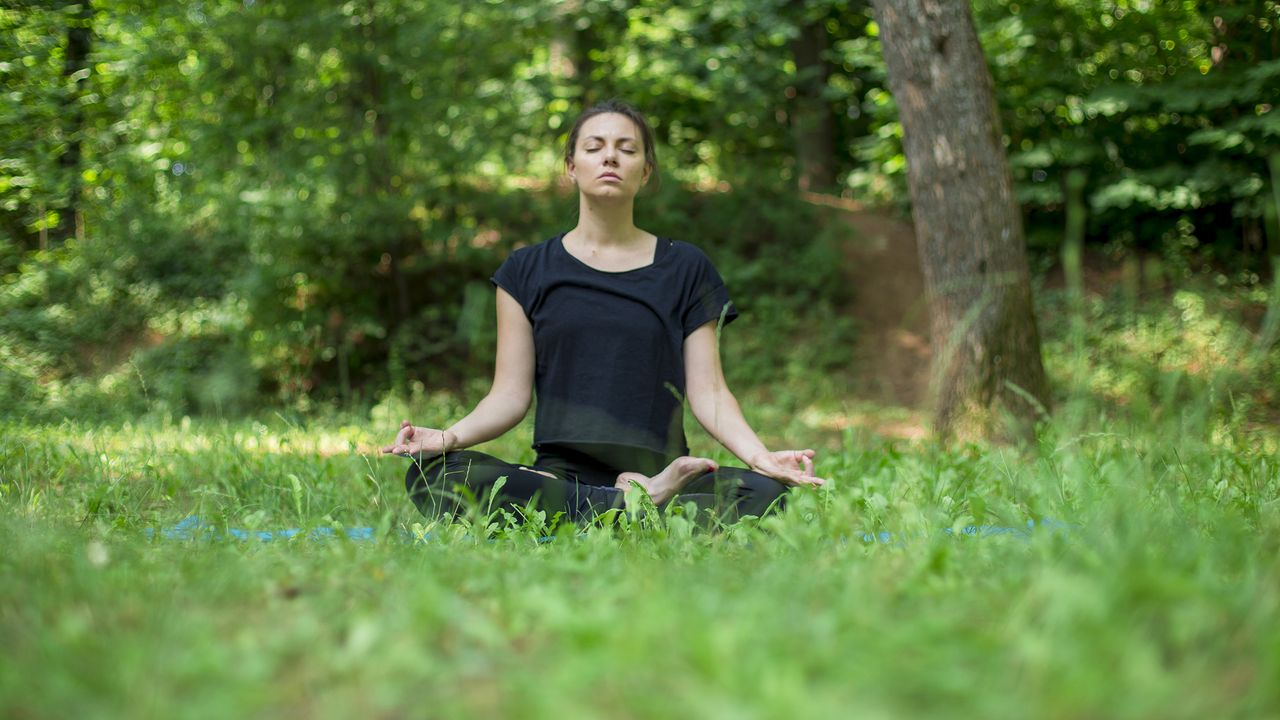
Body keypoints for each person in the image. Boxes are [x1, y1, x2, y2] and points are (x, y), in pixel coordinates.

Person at [382, 99, 824, 524]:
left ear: (645, 171)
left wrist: (759, 457)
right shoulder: (526, 271)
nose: (610, 157)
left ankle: (598, 510)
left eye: (626, 149)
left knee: (767, 496)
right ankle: (622, 506)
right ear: (571, 167)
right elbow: (508, 396)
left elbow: (709, 393)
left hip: (664, 475)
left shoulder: (686, 267)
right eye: (594, 148)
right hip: (560, 476)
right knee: (436, 475)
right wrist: (449, 437)